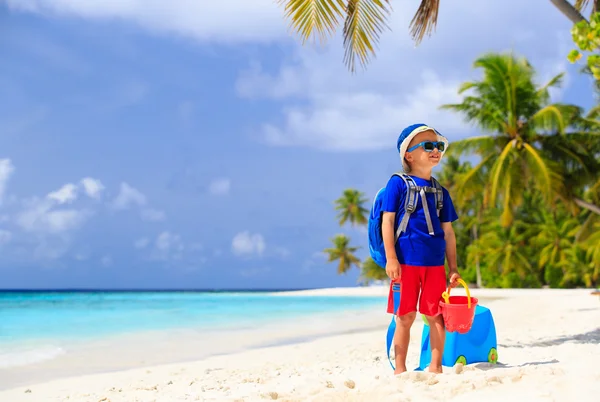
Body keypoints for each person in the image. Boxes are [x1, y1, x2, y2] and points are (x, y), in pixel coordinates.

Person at [382, 123, 461, 375]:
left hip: (435, 266)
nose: (435, 150)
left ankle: (435, 368)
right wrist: (391, 258)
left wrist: (453, 268)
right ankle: (400, 370)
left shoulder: (441, 192)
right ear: (409, 154)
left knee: (435, 316)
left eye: (438, 146)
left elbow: (448, 232)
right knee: (404, 317)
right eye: (428, 145)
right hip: (405, 264)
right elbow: (388, 221)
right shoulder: (397, 184)